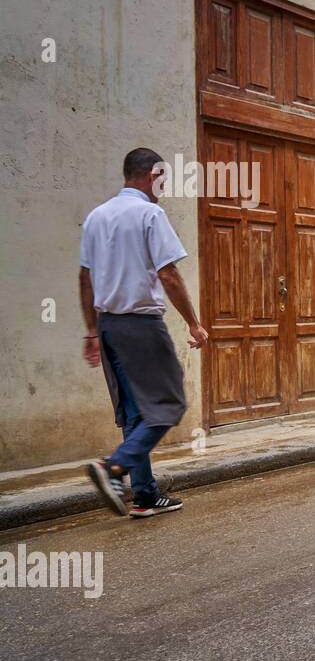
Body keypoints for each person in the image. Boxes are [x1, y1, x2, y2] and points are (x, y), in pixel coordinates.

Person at [80, 148, 208, 518]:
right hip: (140, 325)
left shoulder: (96, 217)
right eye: (163, 181)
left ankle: (145, 495)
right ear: (152, 174)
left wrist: (92, 332)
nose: (163, 189)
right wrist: (194, 323)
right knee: (168, 405)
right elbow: (168, 274)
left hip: (108, 326)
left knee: (135, 412)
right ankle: (113, 468)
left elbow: (85, 279)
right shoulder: (149, 214)